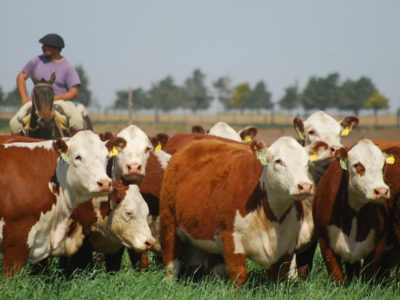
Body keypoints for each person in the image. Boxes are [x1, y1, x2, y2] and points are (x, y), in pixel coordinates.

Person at [9, 33, 85, 135]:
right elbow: (21, 76)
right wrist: (24, 98)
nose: (43, 47)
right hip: (35, 103)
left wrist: (54, 98)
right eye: (43, 45)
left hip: (60, 102)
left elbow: (73, 92)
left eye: (47, 45)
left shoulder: (68, 67)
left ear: (57, 48)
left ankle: (75, 148)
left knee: (77, 121)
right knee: (13, 124)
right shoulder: (36, 61)